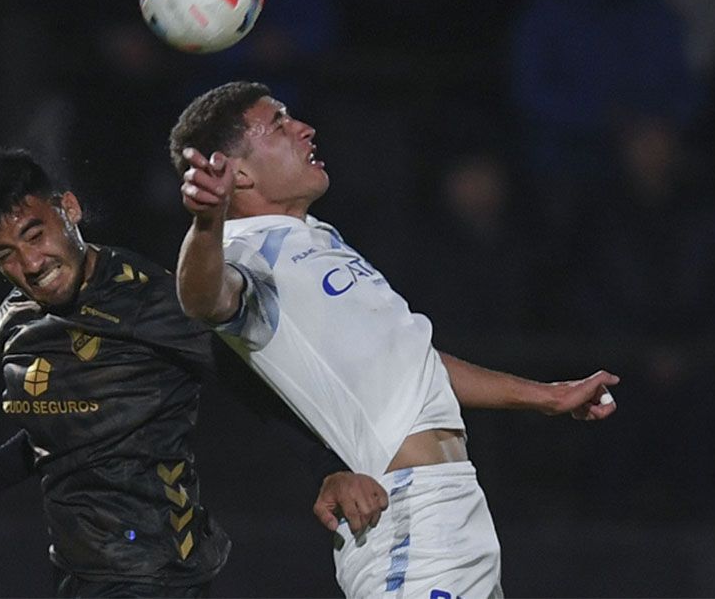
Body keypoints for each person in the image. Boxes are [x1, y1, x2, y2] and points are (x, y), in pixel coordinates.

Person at [172, 81, 620, 597]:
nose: (304, 128)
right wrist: (206, 224)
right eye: (278, 123)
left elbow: (418, 363)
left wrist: (547, 396)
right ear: (239, 172)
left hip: (456, 507)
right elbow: (204, 299)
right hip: (408, 517)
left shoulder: (318, 237)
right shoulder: (244, 253)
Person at [0, 148, 388, 597]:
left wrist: (331, 467)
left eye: (35, 233)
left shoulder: (150, 300)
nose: (31, 262)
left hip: (156, 574)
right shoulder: (16, 318)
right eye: (7, 253)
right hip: (77, 574)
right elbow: (70, 428)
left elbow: (256, 385)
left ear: (69, 209)